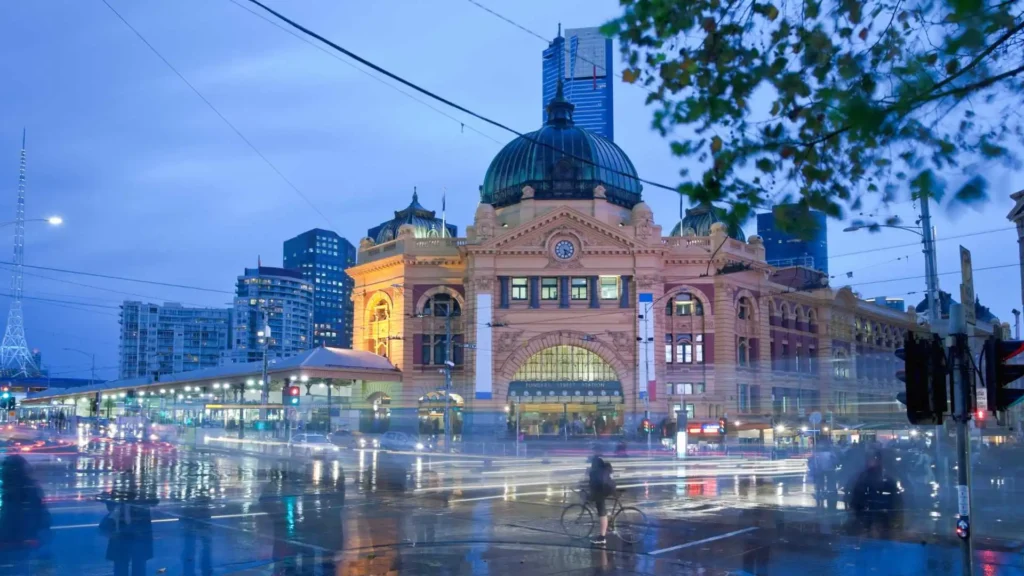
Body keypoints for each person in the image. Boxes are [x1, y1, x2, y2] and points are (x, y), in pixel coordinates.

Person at [0, 455, 50, 564]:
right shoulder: (29, 487)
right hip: (23, 541)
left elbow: (10, 517)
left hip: (15, 541)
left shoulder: (16, 491)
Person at [587, 449, 616, 546]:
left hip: (601, 490)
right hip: (609, 488)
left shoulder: (595, 465)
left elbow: (593, 481)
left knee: (601, 513)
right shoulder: (602, 463)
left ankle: (602, 538)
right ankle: (608, 520)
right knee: (601, 510)